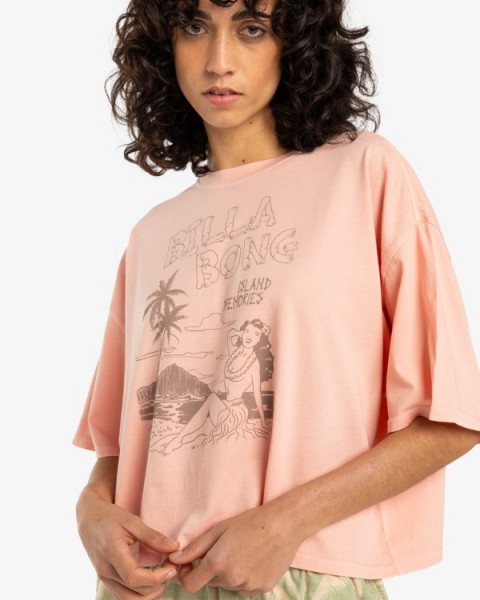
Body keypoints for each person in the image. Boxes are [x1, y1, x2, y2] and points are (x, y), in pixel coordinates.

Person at [73, 0, 480, 599]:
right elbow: (125, 440)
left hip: (301, 573)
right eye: (194, 27)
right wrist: (90, 511)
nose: (218, 61)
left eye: (252, 29)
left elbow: (450, 419)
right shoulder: (151, 234)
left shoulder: (364, 173)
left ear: (296, 44)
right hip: (147, 583)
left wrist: (286, 523)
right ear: (164, 47)